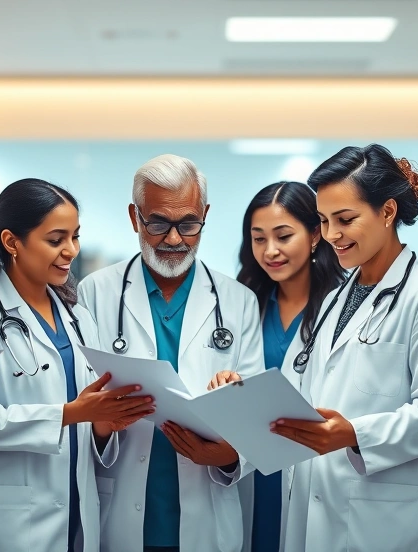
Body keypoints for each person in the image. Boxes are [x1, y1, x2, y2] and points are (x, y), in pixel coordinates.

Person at [0, 178, 154, 552]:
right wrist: (71, 413)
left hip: (75, 517)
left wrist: (102, 424)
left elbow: (85, 419)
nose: (71, 251)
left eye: (75, 237)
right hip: (8, 527)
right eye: (55, 240)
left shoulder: (78, 316)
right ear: (11, 242)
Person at [271, 144, 418, 552]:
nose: (331, 235)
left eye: (345, 219)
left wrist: (354, 434)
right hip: (316, 504)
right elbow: (302, 389)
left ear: (388, 211)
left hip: (383, 520)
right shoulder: (334, 301)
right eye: (324, 221)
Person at [77, 154, 265, 552]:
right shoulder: (94, 293)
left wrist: (227, 455)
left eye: (189, 224)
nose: (175, 239)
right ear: (135, 217)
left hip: (208, 517)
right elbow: (80, 407)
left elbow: (254, 422)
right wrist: (101, 426)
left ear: (205, 216)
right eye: (159, 223)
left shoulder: (238, 301)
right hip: (121, 515)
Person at [234, 181, 345, 552]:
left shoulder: (342, 306)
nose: (270, 250)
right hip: (252, 465)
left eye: (283, 236)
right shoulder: (244, 305)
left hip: (314, 465)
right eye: (259, 238)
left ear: (315, 235)